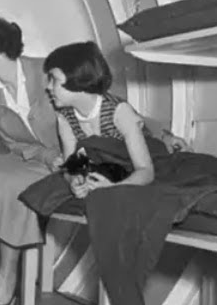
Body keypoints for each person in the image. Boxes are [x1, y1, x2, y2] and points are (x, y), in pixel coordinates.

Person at [0, 18, 187, 305]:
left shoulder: (51, 72)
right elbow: (13, 143)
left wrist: (164, 135)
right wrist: (45, 156)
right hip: (40, 157)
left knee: (7, 186)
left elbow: (106, 105)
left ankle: (6, 278)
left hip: (74, 157)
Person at [44, 41, 156, 200]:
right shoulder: (64, 118)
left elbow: (146, 171)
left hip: (138, 173)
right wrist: (75, 181)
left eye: (53, 79)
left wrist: (114, 188)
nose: (48, 87)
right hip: (105, 171)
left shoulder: (119, 112)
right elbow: (71, 167)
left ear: (77, 78)